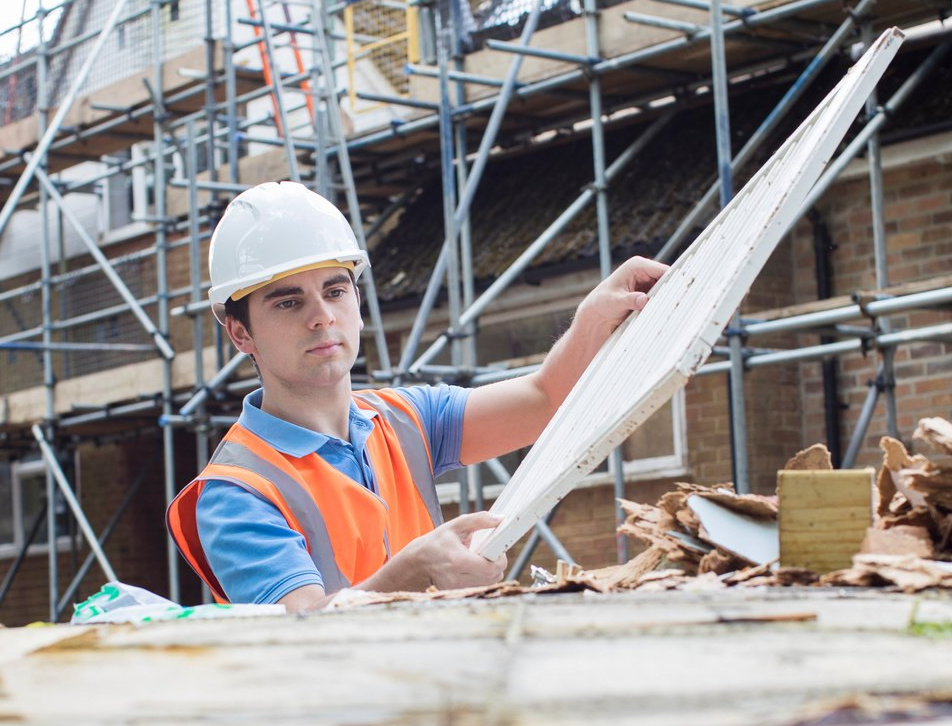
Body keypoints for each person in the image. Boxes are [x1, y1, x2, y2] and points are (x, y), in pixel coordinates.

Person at [167, 181, 666, 612]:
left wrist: (592, 321)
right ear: (241, 334)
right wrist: (413, 572)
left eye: (335, 291)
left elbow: (543, 399)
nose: (321, 316)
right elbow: (301, 635)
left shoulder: (406, 417)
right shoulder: (236, 493)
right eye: (289, 302)